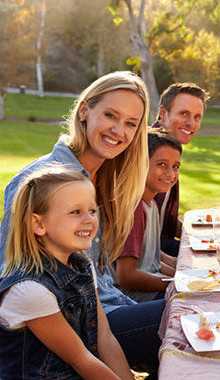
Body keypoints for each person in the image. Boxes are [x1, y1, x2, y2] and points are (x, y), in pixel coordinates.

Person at [0, 72, 163, 375]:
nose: (119, 130)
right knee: (180, 316)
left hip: (106, 314)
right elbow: (13, 271)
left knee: (189, 306)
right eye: (111, 115)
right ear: (85, 110)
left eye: (131, 123)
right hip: (64, 326)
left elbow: (100, 281)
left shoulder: (109, 179)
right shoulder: (39, 182)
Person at [0, 168, 133, 379]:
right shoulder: (30, 290)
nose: (89, 220)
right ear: (39, 224)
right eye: (75, 212)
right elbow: (81, 360)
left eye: (92, 210)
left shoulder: (82, 266)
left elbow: (105, 338)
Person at [116, 129, 181, 302]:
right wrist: (177, 283)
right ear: (141, 164)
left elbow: (152, 259)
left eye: (175, 166)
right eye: (162, 164)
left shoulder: (150, 204)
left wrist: (184, 275)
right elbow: (126, 276)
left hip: (152, 286)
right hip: (132, 297)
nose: (171, 173)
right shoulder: (134, 207)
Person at [152, 83, 208, 256]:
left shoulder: (169, 147)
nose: (191, 123)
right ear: (163, 113)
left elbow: (162, 216)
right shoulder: (149, 150)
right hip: (149, 251)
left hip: (160, 242)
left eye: (197, 117)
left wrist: (196, 237)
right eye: (184, 114)